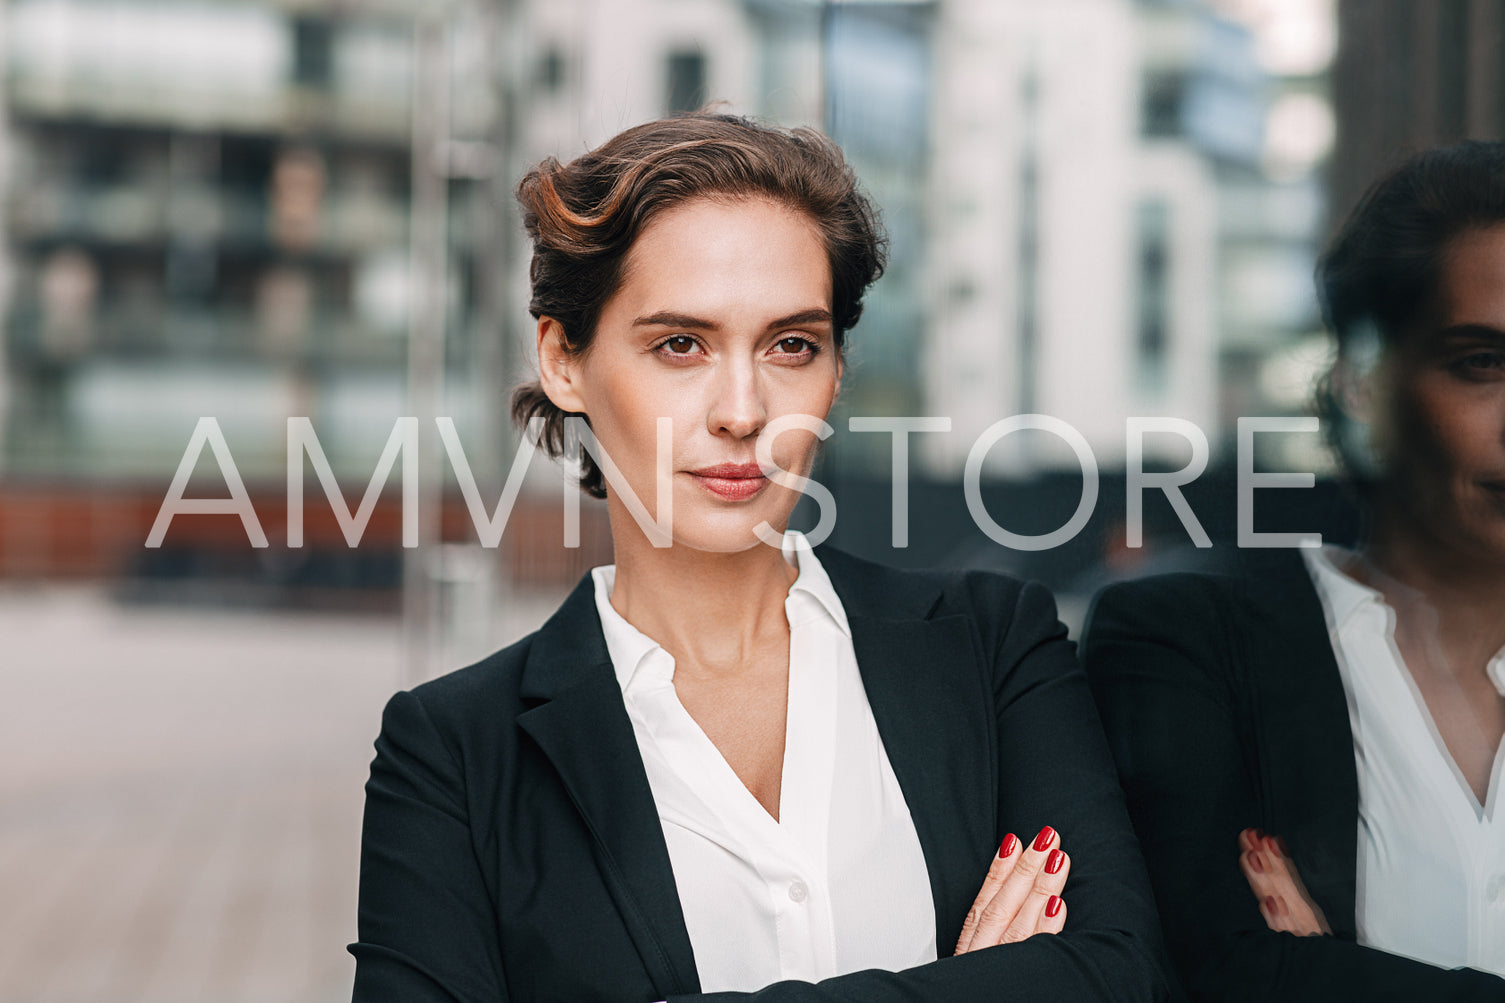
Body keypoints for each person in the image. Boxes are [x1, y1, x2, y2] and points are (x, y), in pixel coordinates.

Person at [349, 112, 1171, 1001]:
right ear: (563, 360)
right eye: (680, 344)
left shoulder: (991, 646)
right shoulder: (453, 755)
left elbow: (1119, 976)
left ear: (834, 370)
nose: (742, 409)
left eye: (791, 345)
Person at [1082, 141, 1505, 1001]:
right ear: (1362, 384)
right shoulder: (1184, 645)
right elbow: (1208, 974)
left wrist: (1327, 976)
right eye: (1480, 362)